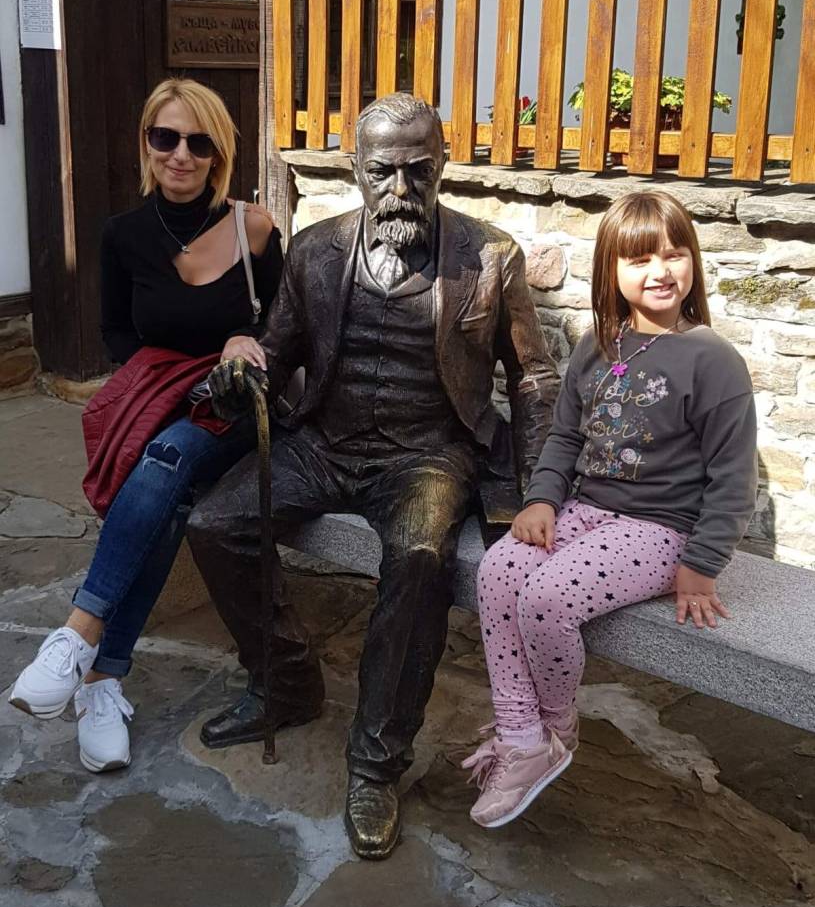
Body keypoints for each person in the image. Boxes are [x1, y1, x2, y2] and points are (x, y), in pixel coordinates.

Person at [186, 92, 561, 860]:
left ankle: (376, 763)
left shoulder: (490, 255)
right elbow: (275, 352)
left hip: (428, 452)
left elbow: (532, 376)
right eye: (382, 172)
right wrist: (239, 376)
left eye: (417, 171)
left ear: (442, 165)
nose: (399, 189)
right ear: (355, 168)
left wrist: (542, 493)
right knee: (213, 523)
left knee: (419, 558)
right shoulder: (315, 251)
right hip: (325, 442)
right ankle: (286, 682)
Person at [9, 78, 282, 774]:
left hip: (232, 409)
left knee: (163, 459)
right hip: (164, 401)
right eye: (166, 137)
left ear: (218, 153)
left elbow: (283, 329)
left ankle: (78, 636)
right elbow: (117, 335)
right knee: (170, 497)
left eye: (198, 142)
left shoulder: (252, 228)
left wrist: (240, 343)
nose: (180, 154)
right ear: (147, 144)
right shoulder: (123, 235)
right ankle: (101, 681)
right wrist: (172, 378)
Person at [463, 190, 757, 829]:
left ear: (693, 260)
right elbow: (564, 437)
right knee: (498, 572)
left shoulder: (713, 360)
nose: (661, 271)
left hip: (660, 531)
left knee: (546, 598)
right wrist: (542, 500)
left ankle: (554, 728)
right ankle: (520, 735)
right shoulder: (599, 346)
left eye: (674, 254)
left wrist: (702, 565)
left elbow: (734, 476)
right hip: (585, 510)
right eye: (640, 259)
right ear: (610, 271)